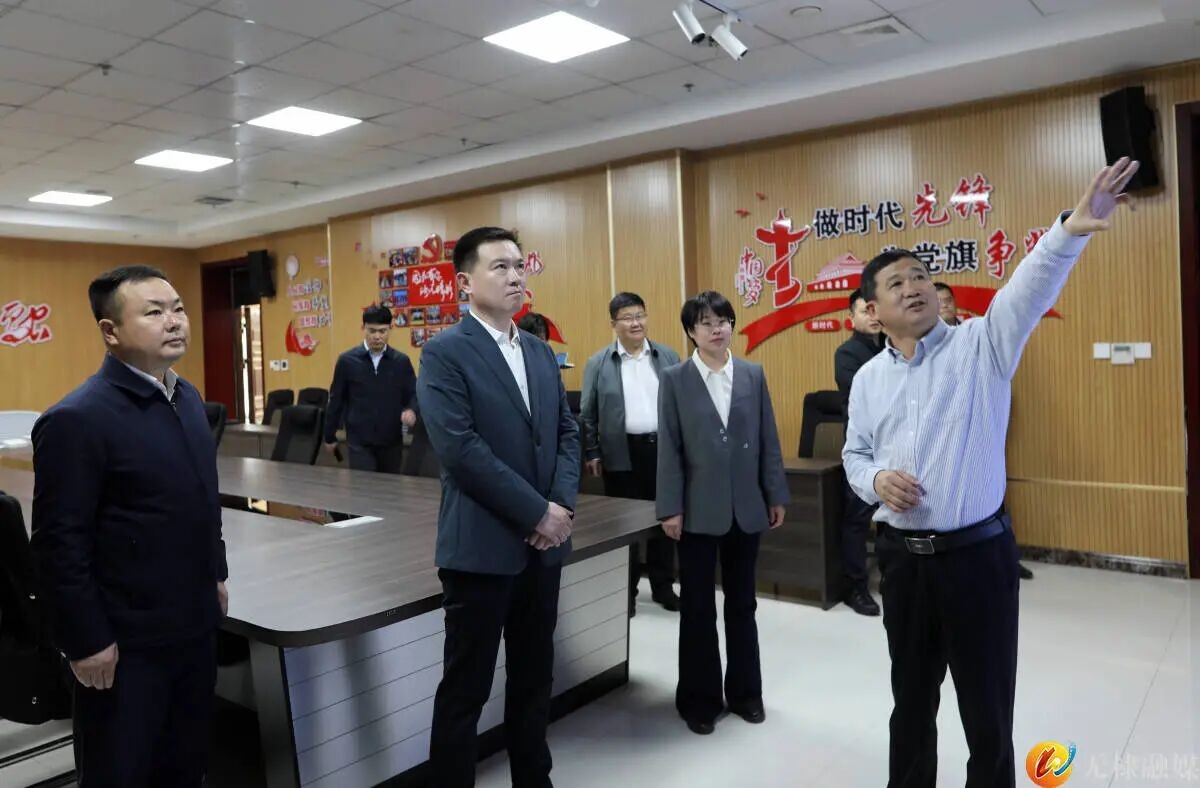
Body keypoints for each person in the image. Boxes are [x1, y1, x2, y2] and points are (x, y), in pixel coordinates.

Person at [843, 158, 1139, 787]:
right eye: (896, 283)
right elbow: (855, 455)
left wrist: (1070, 229)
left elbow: (1028, 289)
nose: (914, 287)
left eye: (921, 276)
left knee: (987, 711)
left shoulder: (983, 344)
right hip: (902, 562)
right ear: (872, 309)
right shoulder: (867, 379)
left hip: (976, 562)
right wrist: (875, 482)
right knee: (910, 702)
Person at [30, 265, 229, 787]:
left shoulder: (186, 398)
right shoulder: (77, 419)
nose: (174, 321)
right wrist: (85, 641)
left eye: (178, 309)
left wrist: (217, 572)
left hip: (192, 627)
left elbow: (203, 499)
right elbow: (58, 545)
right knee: (119, 773)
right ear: (110, 331)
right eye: (154, 312)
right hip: (125, 647)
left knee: (184, 767)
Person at [417, 226, 580, 788]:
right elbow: (461, 450)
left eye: (519, 266)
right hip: (481, 550)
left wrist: (558, 508)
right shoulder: (444, 353)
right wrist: (537, 513)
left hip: (543, 551)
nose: (515, 277)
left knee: (534, 680)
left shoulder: (539, 351)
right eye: (500, 267)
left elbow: (567, 432)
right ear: (464, 283)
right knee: (466, 690)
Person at [656, 290, 789, 736]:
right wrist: (670, 508)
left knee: (742, 604)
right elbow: (670, 448)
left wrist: (775, 494)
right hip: (696, 511)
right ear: (691, 332)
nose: (717, 329)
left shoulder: (752, 374)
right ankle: (700, 700)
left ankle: (747, 694)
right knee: (697, 608)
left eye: (723, 321)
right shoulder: (675, 379)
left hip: (747, 508)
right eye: (706, 323)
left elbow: (768, 439)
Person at [580, 292, 681, 613]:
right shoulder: (598, 363)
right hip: (621, 454)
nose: (636, 323)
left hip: (664, 452)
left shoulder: (667, 356)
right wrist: (592, 451)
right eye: (627, 317)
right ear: (614, 324)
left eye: (640, 315)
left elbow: (683, 404)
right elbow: (587, 413)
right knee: (626, 526)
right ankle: (628, 594)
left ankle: (664, 587)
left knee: (666, 519)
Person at [934, 283, 1036, 581]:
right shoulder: (925, 345)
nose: (945, 305)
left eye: (948, 300)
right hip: (945, 436)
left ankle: (1006, 557)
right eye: (939, 301)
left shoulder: (976, 334)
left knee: (992, 497)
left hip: (980, 426)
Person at [833, 288, 883, 616]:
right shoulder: (847, 353)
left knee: (895, 517)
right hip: (864, 448)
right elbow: (863, 397)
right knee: (858, 520)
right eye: (865, 311)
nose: (872, 316)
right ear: (852, 318)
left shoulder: (896, 345)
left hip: (896, 445)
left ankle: (893, 578)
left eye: (875, 309)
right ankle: (855, 587)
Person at [324, 304, 418, 473]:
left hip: (391, 441)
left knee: (390, 487)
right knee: (364, 487)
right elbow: (336, 399)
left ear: (390, 329)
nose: (377, 337)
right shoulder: (347, 361)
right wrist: (329, 435)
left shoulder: (401, 362)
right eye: (372, 331)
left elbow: (414, 393)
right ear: (363, 328)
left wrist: (411, 409)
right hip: (359, 442)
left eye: (382, 331)